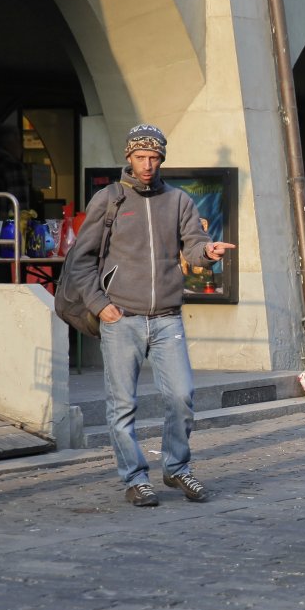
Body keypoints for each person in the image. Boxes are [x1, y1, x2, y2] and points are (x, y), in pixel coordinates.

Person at [65, 124, 235, 507]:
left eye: (154, 158)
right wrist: (99, 304)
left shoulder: (178, 200)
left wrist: (207, 253)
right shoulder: (108, 199)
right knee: (122, 404)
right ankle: (134, 478)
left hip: (166, 317)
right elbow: (81, 261)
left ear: (161, 159)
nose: (147, 164)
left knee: (182, 395)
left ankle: (176, 467)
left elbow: (193, 245)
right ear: (129, 156)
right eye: (141, 157)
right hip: (120, 317)